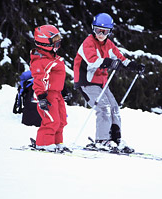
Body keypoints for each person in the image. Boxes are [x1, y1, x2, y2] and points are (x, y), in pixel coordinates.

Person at [73, 13, 145, 153]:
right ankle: (102, 139)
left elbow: (120, 58)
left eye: (104, 31)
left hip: (101, 82)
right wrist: (109, 62)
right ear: (93, 29)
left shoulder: (109, 44)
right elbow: (93, 61)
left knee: (114, 107)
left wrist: (133, 66)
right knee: (103, 107)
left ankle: (115, 139)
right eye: (97, 30)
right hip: (87, 81)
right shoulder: (88, 43)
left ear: (109, 32)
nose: (101, 34)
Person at [30, 24, 68, 152]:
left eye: (58, 38)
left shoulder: (52, 57)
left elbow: (56, 76)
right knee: (52, 120)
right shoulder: (40, 61)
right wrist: (41, 97)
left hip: (57, 93)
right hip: (47, 95)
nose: (58, 42)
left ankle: (57, 142)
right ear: (44, 42)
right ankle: (44, 143)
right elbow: (39, 80)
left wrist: (63, 88)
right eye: (54, 39)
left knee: (62, 119)